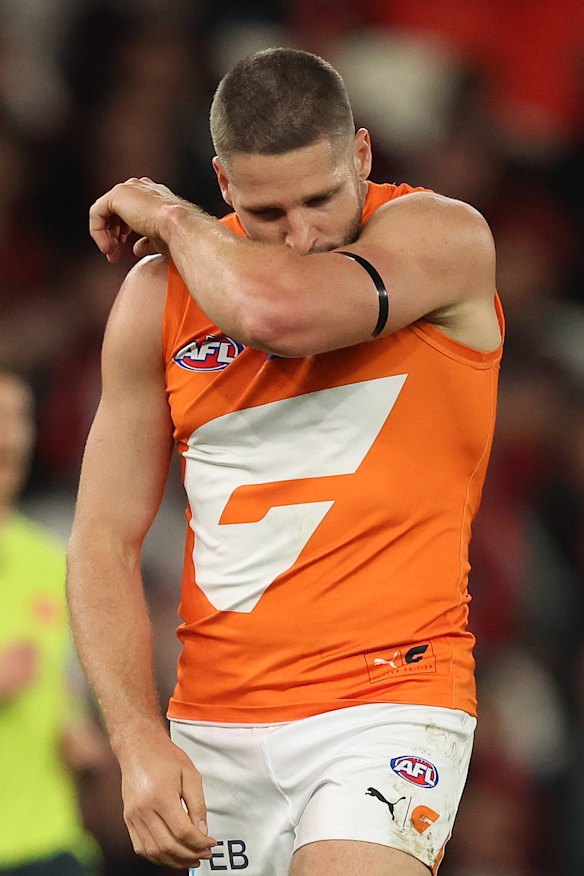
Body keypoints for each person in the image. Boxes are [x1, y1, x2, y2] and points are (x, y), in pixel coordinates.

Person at [66, 48, 503, 876]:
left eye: (322, 198)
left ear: (362, 156)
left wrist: (165, 212)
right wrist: (135, 740)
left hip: (388, 702)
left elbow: (282, 313)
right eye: (268, 212)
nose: (302, 235)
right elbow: (101, 542)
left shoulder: (443, 237)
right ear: (225, 185)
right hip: (214, 722)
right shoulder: (157, 299)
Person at [0, 371, 103, 876]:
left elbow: (60, 682)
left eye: (19, 417)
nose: (9, 434)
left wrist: (76, 729)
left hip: (53, 840)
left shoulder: (49, 558)